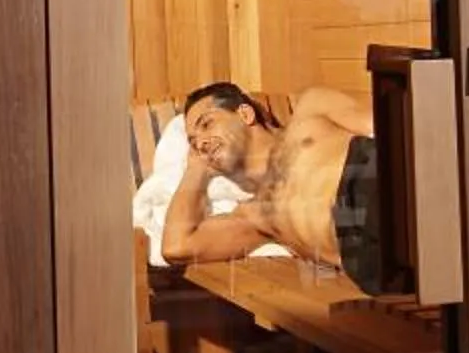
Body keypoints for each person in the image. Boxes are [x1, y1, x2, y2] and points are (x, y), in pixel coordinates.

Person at [161, 78, 383, 288]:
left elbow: (393, 127)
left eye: (207, 124)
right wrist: (195, 169)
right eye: (193, 142)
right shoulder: (255, 216)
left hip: (376, 182)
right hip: (369, 253)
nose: (201, 142)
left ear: (245, 114)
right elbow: (177, 247)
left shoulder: (311, 111)